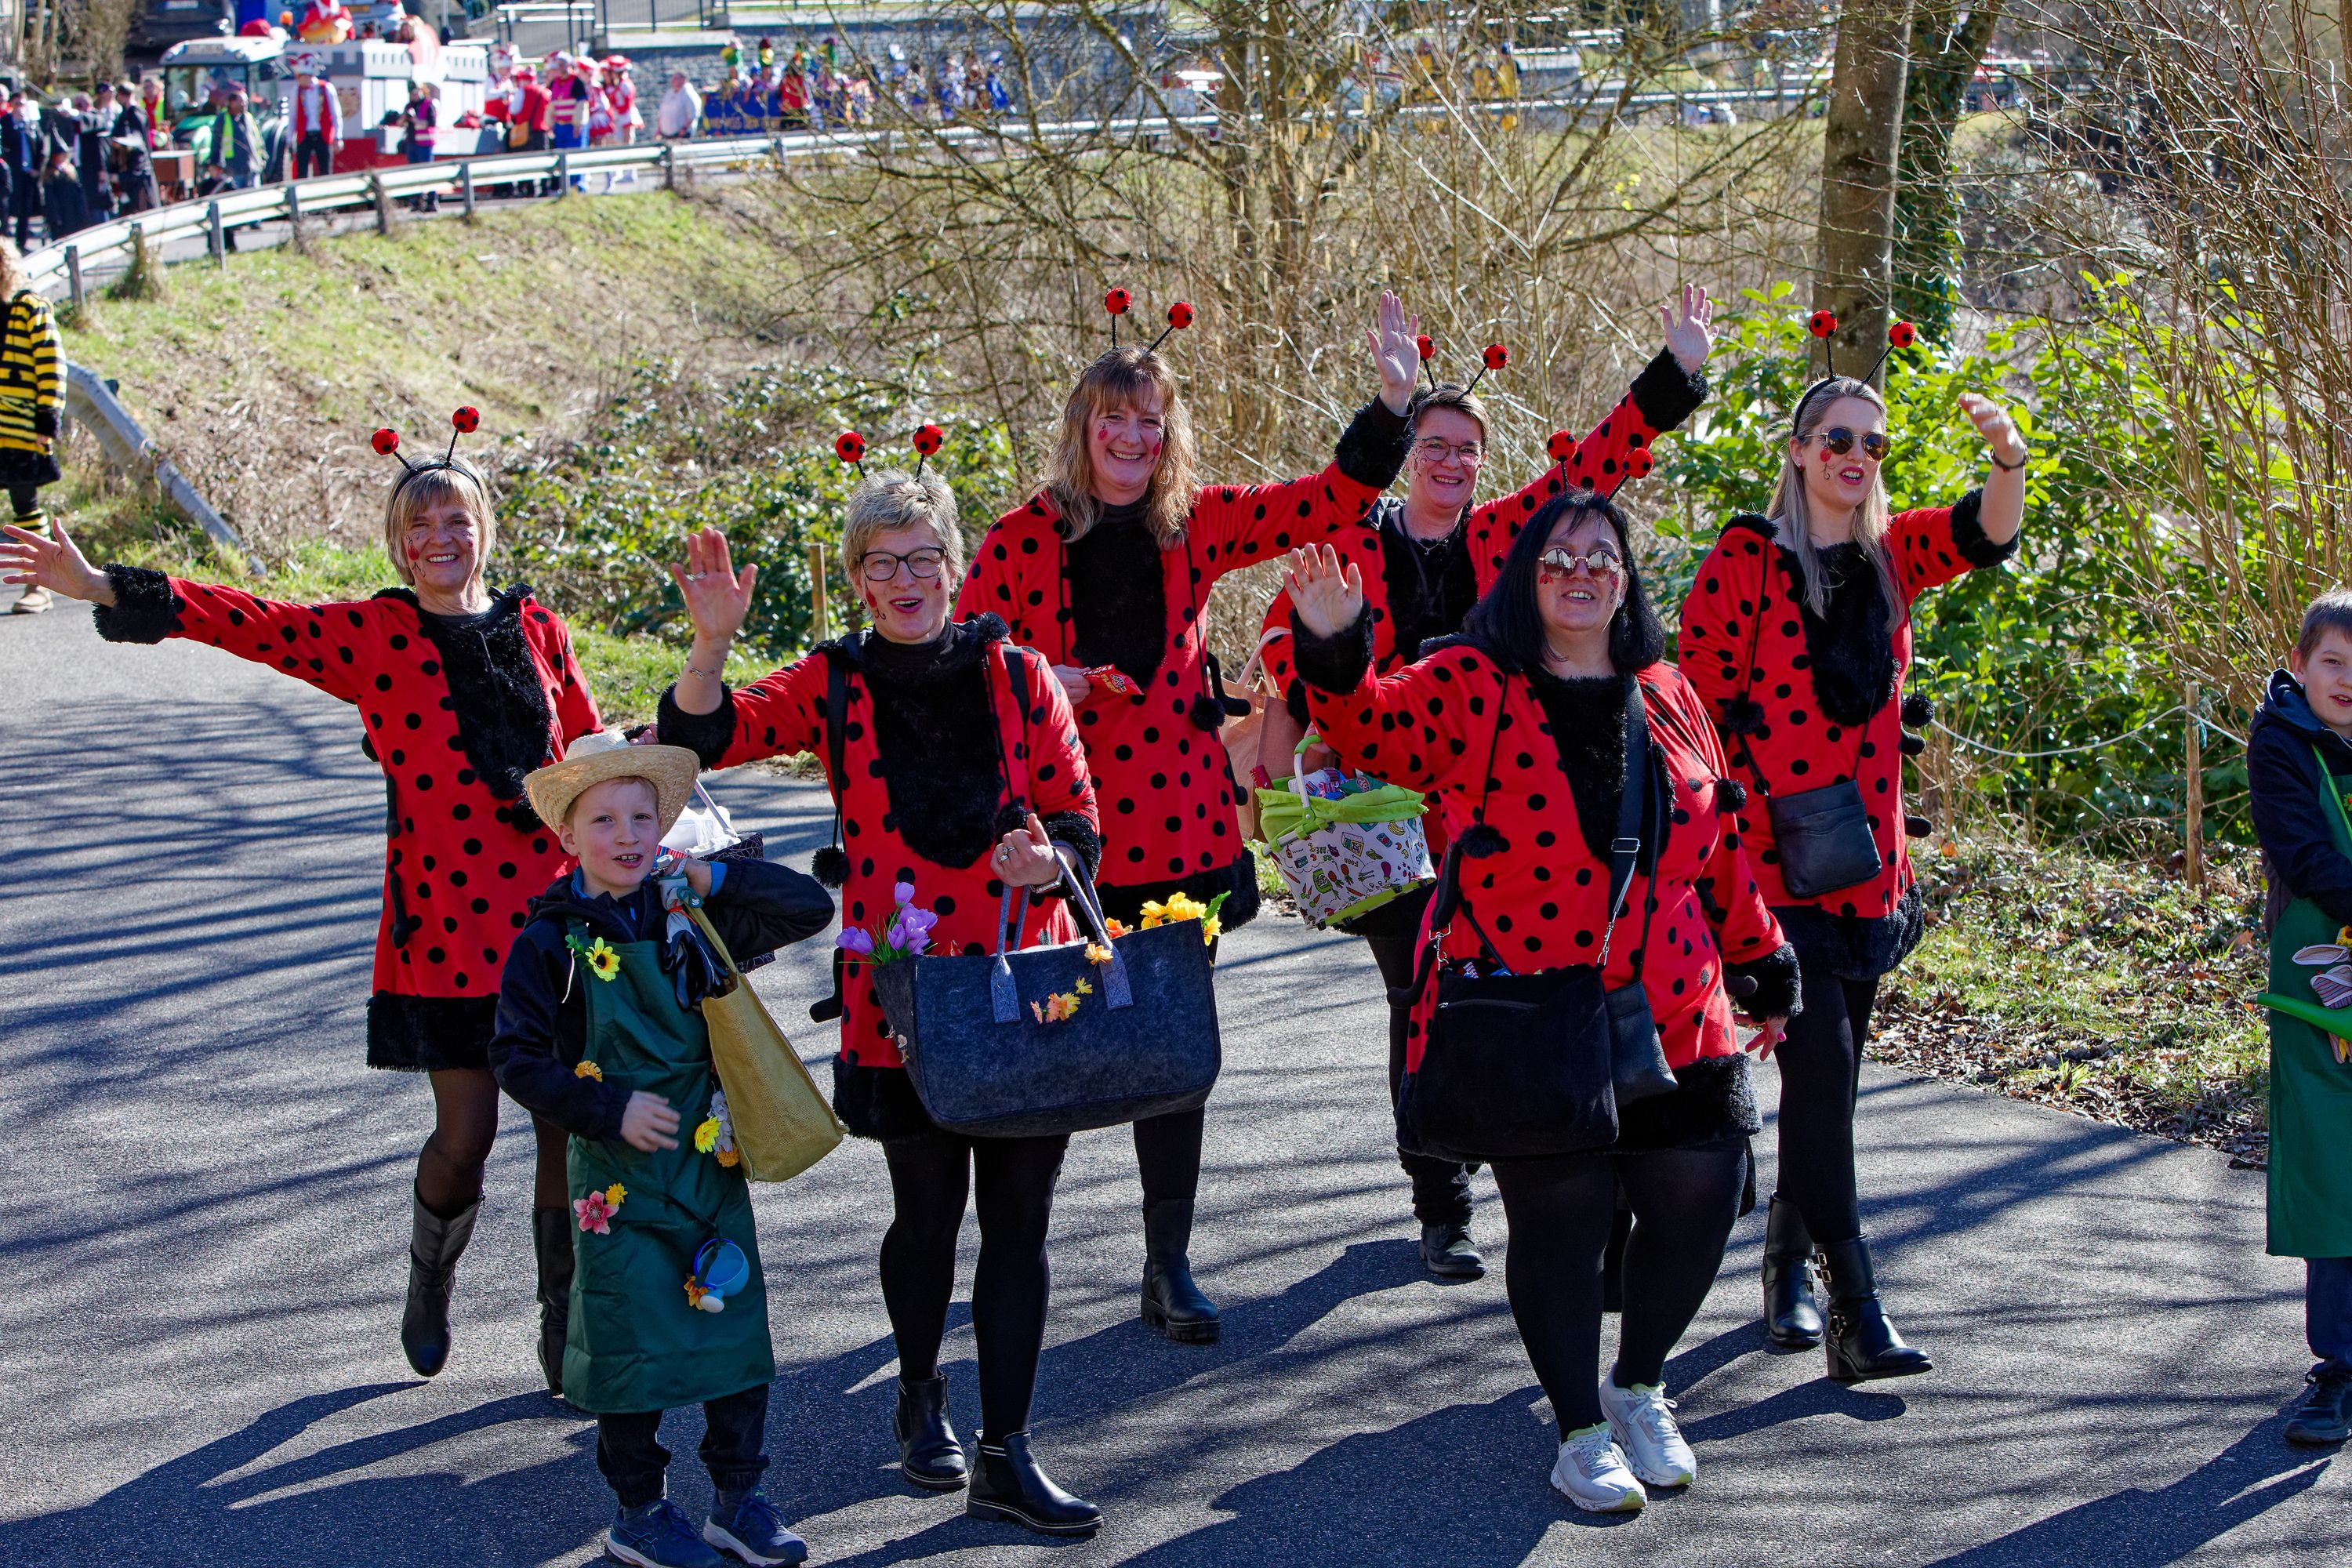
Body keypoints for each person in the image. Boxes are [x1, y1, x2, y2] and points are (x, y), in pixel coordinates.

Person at [0, 419, 604, 1387]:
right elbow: (250, 619)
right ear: (399, 544)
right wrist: (110, 587)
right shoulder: (377, 635)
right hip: (445, 926)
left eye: (456, 517)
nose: (439, 537)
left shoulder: (540, 629)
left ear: (485, 528)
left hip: (558, 926)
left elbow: (589, 754)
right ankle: (430, 1279)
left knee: (562, 1128)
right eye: (419, 525)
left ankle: (564, 1327)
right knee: (467, 1133)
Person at [1284, 488, 1797, 1512]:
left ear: (1625, 576)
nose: (1579, 573)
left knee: (1701, 1194)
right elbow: (1371, 731)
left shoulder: (1667, 688)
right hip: (1527, 1002)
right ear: (1525, 576)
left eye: (1600, 556)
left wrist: (1763, 955)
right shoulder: (1474, 680)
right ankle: (1577, 1429)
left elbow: (1719, 840)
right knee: (1558, 1227)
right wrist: (1335, 647)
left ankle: (1640, 1381)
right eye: (1557, 558)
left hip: (1677, 1002)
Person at [953, 289, 1422, 1345]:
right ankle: (1015, 1254)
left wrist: (1391, 407)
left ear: (1168, 435)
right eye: (1113, 419)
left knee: (1172, 1052)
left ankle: (1169, 1263)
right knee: (1060, 1047)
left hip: (1180, 831)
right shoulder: (1022, 537)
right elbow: (962, 662)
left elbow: (1328, 499)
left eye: (1149, 421)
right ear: (1081, 428)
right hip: (1063, 838)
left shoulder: (1197, 525)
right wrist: (1040, 677)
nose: (1131, 437)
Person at [659, 472, 1109, 1538]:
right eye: (880, 562)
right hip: (899, 988)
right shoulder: (834, 680)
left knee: (1021, 1223)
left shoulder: (1021, 673)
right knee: (926, 1211)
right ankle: (917, 1389)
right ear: (857, 579)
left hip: (1018, 985)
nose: (903, 580)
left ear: (955, 565)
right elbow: (703, 738)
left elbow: (1081, 820)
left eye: (922, 558)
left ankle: (1008, 1451)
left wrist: (1052, 864)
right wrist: (712, 646)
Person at [1256, 288, 1716, 1278]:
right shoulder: (1350, 538)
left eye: (1469, 449)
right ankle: (1441, 1196)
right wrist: (1325, 698)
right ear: (1406, 455)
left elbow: (1594, 469)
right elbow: (1280, 631)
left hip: (1493, 817)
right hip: (1375, 807)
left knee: (1522, 989)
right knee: (1417, 992)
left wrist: (1671, 374)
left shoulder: (1511, 534)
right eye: (1435, 445)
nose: (1453, 463)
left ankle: (1550, 1170)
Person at [1678, 363, 2026, 1380]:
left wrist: (2008, 456)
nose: (1854, 458)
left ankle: (1785, 1264)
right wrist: (1714, 872)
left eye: (1871, 444)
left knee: (1829, 1091)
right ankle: (1855, 1310)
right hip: (1772, 878)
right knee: (1821, 1073)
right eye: (1836, 439)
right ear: (1797, 451)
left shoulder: (1891, 555)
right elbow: (1692, 720)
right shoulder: (1745, 558)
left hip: (1868, 871)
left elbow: (1988, 532)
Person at [492, 731, 832, 1568]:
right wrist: (606, 1107)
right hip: (616, 1176)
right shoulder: (549, 942)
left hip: (708, 1160)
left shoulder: (688, 909)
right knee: (629, 1344)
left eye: (644, 816)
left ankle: (739, 1501)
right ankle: (639, 1511)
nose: (627, 834)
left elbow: (809, 907)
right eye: (603, 818)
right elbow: (516, 1056)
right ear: (568, 836)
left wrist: (712, 874)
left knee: (735, 1332)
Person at [2246, 591, 2352, 1447]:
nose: (2348, 681)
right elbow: (2303, 851)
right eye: (2334, 663)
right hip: (2323, 987)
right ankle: (2339, 1363)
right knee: (2332, 1169)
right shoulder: (2280, 745)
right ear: (2304, 663)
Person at [0, 248, 60, 616]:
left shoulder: (29, 307)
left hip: (20, 428)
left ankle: (39, 585)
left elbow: (52, 363)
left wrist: (47, 420)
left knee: (25, 504)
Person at [2, 92, 43, 251]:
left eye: (23, 104)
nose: (20, 108)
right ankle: (4, 246)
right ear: (11, 105)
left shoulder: (31, 124)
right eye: (17, 104)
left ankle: (21, 244)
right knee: (8, 209)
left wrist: (37, 169)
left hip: (28, 174)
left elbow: (41, 148)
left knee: (25, 210)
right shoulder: (5, 123)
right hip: (11, 175)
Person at [111, 80, 158, 214]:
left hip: (138, 165)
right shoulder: (134, 112)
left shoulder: (134, 114)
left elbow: (138, 141)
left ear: (121, 95)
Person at [290, 56, 342, 178]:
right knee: (302, 170)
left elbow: (336, 114)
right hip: (305, 134)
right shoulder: (296, 90)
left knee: (325, 169)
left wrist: (338, 137)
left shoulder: (326, 88)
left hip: (322, 134)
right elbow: (292, 116)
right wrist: (289, 139)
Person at [401, 80, 438, 211]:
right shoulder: (409, 106)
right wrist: (405, 117)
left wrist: (415, 120)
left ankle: (432, 201)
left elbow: (432, 122)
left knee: (428, 173)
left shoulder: (428, 105)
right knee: (414, 174)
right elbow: (400, 123)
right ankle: (416, 202)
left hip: (425, 144)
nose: (414, 95)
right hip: (412, 143)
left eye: (416, 92)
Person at [39, 146, 87, 241]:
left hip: (72, 212)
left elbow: (79, 193)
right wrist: (54, 216)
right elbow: (49, 198)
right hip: (60, 214)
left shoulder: (70, 171)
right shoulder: (49, 173)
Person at [658, 71, 701, 140]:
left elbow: (693, 114)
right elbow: (662, 112)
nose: (673, 81)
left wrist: (684, 129)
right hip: (666, 134)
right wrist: (659, 129)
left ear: (683, 79)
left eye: (676, 78)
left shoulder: (689, 95)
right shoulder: (669, 93)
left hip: (681, 135)